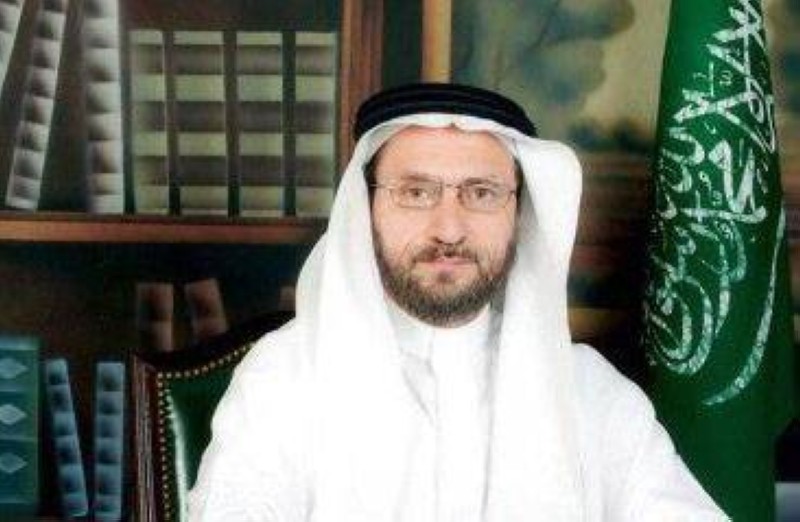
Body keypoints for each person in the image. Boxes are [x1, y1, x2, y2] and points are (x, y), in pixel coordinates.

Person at [188, 83, 728, 521]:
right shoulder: (286, 376)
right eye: (416, 192)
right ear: (366, 210)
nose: (449, 228)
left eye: (481, 193)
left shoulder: (590, 391)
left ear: (519, 214)